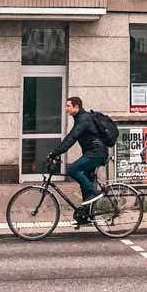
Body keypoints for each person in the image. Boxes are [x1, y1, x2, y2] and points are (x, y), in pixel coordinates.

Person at [47, 96, 107, 227]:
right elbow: (72, 137)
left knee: (72, 169)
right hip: (93, 153)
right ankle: (86, 215)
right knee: (85, 179)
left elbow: (72, 137)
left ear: (76, 107)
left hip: (97, 153)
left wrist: (55, 153)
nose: (66, 108)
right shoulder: (80, 118)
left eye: (68, 106)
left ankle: (94, 192)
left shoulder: (83, 119)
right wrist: (58, 152)